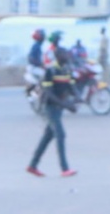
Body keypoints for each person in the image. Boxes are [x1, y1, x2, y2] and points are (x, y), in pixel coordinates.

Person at [26, 47, 78, 177]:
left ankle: (32, 165)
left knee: (48, 136)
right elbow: (48, 93)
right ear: (58, 56)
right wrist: (66, 105)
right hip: (49, 108)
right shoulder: (50, 70)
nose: (67, 56)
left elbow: (71, 86)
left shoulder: (67, 69)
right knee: (60, 134)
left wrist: (78, 98)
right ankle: (64, 169)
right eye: (65, 54)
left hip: (58, 108)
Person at [26, 29, 46, 94]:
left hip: (34, 67)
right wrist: (40, 65)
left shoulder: (38, 46)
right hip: (33, 68)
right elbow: (31, 58)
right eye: (43, 36)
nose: (44, 37)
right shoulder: (36, 46)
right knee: (45, 76)